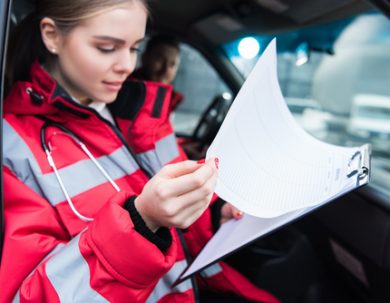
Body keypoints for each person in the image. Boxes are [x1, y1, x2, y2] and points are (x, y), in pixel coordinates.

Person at [0, 1, 280, 302]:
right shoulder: (13, 149)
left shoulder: (145, 113)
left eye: (134, 48)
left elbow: (180, 218)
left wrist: (212, 212)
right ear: (52, 36)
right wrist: (141, 222)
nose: (128, 65)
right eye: (107, 47)